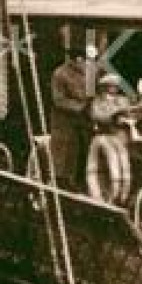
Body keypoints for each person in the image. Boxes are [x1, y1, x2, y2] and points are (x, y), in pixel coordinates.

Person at [48, 44, 98, 187]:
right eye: (85, 60)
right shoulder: (60, 74)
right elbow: (58, 100)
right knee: (65, 149)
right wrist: (79, 107)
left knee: (86, 146)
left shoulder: (89, 73)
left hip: (84, 119)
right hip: (64, 119)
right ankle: (62, 180)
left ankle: (82, 180)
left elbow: (92, 94)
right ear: (77, 59)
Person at [85, 72, 139, 203]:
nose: (114, 88)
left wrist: (130, 118)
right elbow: (97, 116)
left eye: (115, 86)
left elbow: (133, 112)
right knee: (113, 153)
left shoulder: (123, 100)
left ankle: (128, 190)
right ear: (104, 87)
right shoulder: (97, 102)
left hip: (124, 136)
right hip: (105, 134)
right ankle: (109, 192)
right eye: (110, 86)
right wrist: (115, 117)